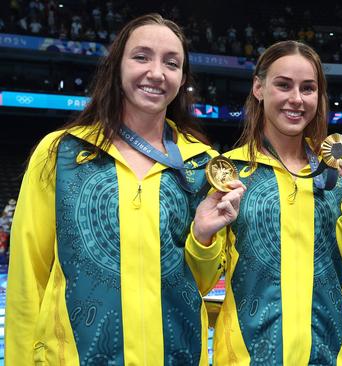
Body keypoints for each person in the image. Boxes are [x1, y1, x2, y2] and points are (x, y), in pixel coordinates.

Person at [6, 14, 245, 365]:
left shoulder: (201, 165)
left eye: (171, 63)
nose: (156, 72)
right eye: (141, 56)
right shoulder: (61, 152)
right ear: (116, 66)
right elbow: (29, 273)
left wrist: (204, 238)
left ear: (182, 79)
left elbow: (203, 283)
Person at [212, 40, 342, 365]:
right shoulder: (229, 173)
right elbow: (204, 276)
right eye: (284, 85)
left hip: (331, 356)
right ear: (259, 87)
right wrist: (203, 239)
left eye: (308, 88)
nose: (296, 99)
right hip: (246, 357)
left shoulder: (339, 176)